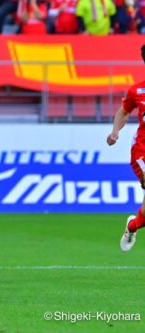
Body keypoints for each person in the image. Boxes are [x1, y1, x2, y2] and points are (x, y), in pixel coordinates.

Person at [106, 44, 145, 252]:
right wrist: (115, 132)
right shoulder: (137, 90)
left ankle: (132, 225)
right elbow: (123, 112)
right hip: (142, 153)